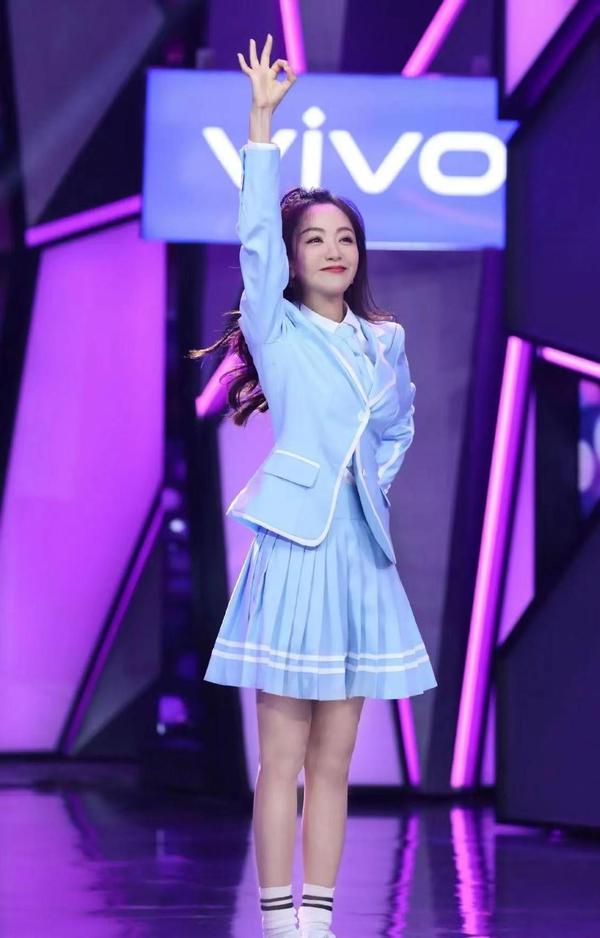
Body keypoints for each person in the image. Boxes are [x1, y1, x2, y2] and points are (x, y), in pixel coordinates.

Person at [190, 35, 437, 938]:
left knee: (336, 762)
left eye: (346, 238)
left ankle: (319, 923)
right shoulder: (280, 327)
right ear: (292, 257)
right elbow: (253, 238)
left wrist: (368, 485)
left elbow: (397, 426)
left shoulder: (385, 340)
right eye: (315, 238)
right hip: (295, 551)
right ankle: (276, 921)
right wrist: (262, 126)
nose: (333, 250)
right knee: (282, 761)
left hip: (360, 559)